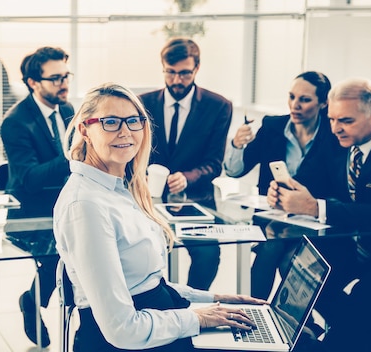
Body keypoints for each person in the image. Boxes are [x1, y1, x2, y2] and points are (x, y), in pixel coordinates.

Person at [54, 82, 266, 352]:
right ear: (85, 129)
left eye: (133, 121)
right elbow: (122, 329)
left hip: (161, 324)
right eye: (110, 122)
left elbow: (145, 283)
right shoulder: (85, 205)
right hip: (132, 342)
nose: (125, 132)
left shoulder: (118, 188)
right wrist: (198, 317)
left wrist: (211, 298)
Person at [266, 78, 371, 351]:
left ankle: (346, 335)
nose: (335, 128)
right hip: (350, 245)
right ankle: (341, 333)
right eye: (331, 119)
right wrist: (286, 192)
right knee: (300, 268)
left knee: (363, 305)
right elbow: (310, 181)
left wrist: (317, 208)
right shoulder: (338, 144)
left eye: (346, 121)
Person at [224, 71, 342, 299]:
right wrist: (237, 145)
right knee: (275, 247)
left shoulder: (333, 134)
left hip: (313, 221)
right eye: (291, 97)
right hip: (272, 218)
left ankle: (254, 314)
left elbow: (341, 188)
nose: (295, 105)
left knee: (280, 253)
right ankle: (259, 314)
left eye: (305, 99)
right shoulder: (272, 127)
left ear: (324, 102)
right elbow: (234, 171)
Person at [140, 38, 233, 290]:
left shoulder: (219, 106)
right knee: (142, 254)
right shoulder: (142, 103)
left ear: (197, 69)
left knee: (208, 257)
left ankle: (191, 308)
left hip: (196, 198)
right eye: (170, 73)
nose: (176, 80)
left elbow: (214, 164)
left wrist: (187, 177)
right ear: (163, 69)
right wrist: (141, 176)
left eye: (184, 73)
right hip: (147, 198)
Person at [0, 46, 74, 347]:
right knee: (68, 251)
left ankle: (39, 300)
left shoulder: (68, 110)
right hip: (30, 211)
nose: (64, 83)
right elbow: (29, 179)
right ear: (33, 82)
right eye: (55, 78)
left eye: (66, 75)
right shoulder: (16, 121)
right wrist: (73, 157)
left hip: (66, 203)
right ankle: (33, 301)